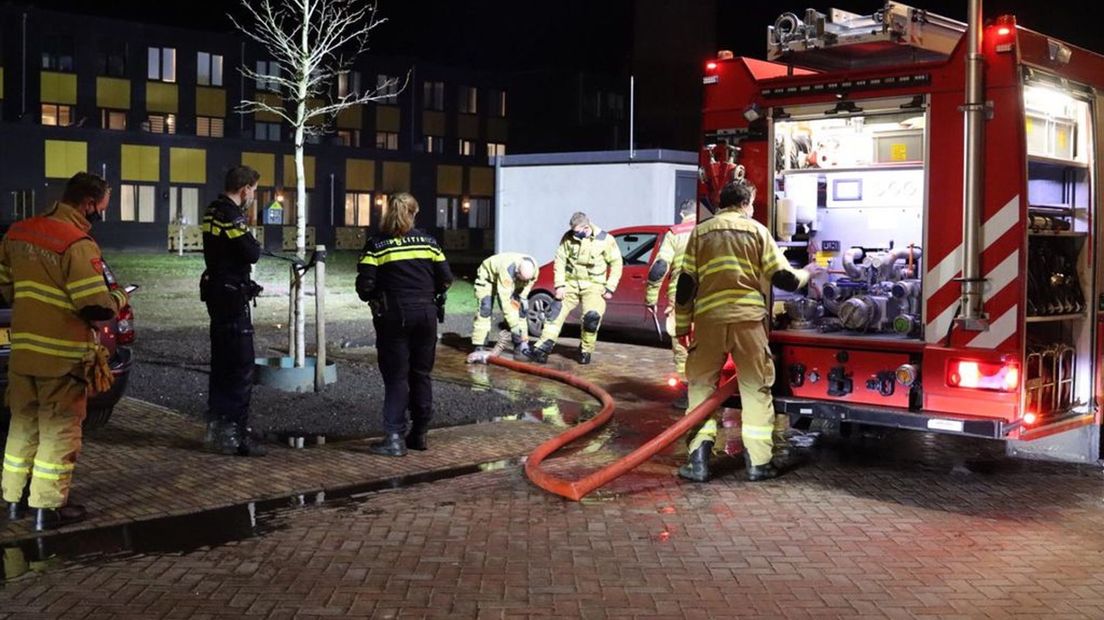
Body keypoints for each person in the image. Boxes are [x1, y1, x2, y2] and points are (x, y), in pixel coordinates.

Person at [0, 172, 128, 530]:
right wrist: (119, 297)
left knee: (23, 425)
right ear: (89, 203)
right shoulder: (77, 243)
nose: (101, 214)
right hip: (62, 358)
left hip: (23, 353)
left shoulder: (18, 232)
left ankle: (13, 500)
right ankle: (46, 508)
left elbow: (6, 287)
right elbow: (95, 307)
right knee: (60, 432)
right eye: (102, 207)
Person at [674, 180, 810, 483]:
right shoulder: (757, 231)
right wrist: (809, 274)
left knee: (700, 388)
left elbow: (685, 284)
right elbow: (784, 279)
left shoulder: (700, 232)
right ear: (746, 202)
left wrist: (682, 324)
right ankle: (758, 464)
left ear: (722, 202)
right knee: (755, 388)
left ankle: (698, 463)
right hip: (748, 322)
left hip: (708, 320)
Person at [356, 193, 453, 456]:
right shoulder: (429, 243)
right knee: (421, 374)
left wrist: (375, 296)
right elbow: (446, 279)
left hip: (394, 316)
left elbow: (365, 286)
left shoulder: (378, 245)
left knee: (396, 377)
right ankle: (419, 434)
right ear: (414, 213)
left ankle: (394, 438)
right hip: (426, 315)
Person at [201, 165, 265, 457]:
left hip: (216, 293)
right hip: (231, 296)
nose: (253, 195)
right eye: (254, 190)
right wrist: (252, 239)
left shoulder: (212, 209)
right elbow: (251, 252)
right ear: (245, 189)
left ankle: (215, 430)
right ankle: (235, 435)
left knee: (221, 363)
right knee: (240, 366)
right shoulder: (231, 214)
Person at [527, 212, 622, 365]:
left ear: (586, 227)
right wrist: (559, 285)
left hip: (594, 286)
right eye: (573, 231)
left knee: (592, 318)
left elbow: (617, 264)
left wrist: (610, 287)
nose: (574, 234)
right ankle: (543, 348)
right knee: (554, 313)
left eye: (577, 232)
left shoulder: (605, 240)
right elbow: (560, 261)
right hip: (570, 285)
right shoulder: (568, 237)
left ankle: (586, 350)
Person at [644, 199, 698, 406]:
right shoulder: (711, 230)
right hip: (710, 298)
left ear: (682, 214)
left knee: (683, 346)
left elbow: (659, 269)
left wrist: (650, 299)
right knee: (708, 345)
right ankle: (710, 391)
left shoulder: (675, 234)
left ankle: (687, 394)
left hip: (681, 299)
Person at [470, 252, 539, 355]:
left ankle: (520, 344)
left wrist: (522, 298)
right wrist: (514, 326)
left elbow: (528, 286)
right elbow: (506, 304)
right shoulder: (507, 269)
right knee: (485, 309)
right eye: (521, 278)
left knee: (521, 310)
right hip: (488, 279)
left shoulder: (534, 270)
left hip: (513, 281)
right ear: (517, 272)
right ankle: (479, 345)